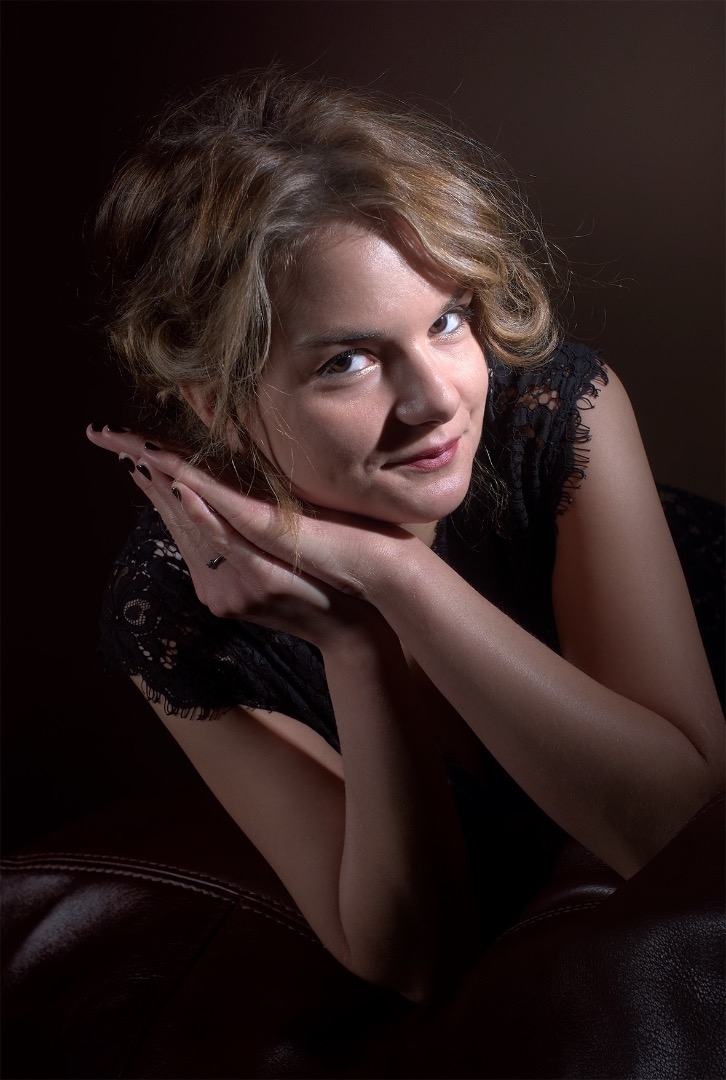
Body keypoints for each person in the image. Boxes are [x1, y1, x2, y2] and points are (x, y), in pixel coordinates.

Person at [87, 69, 723, 1005]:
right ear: (215, 402)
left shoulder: (552, 413)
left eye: (447, 321)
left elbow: (681, 837)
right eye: (349, 361)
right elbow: (417, 961)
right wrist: (354, 640)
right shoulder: (176, 603)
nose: (436, 400)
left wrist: (394, 574)